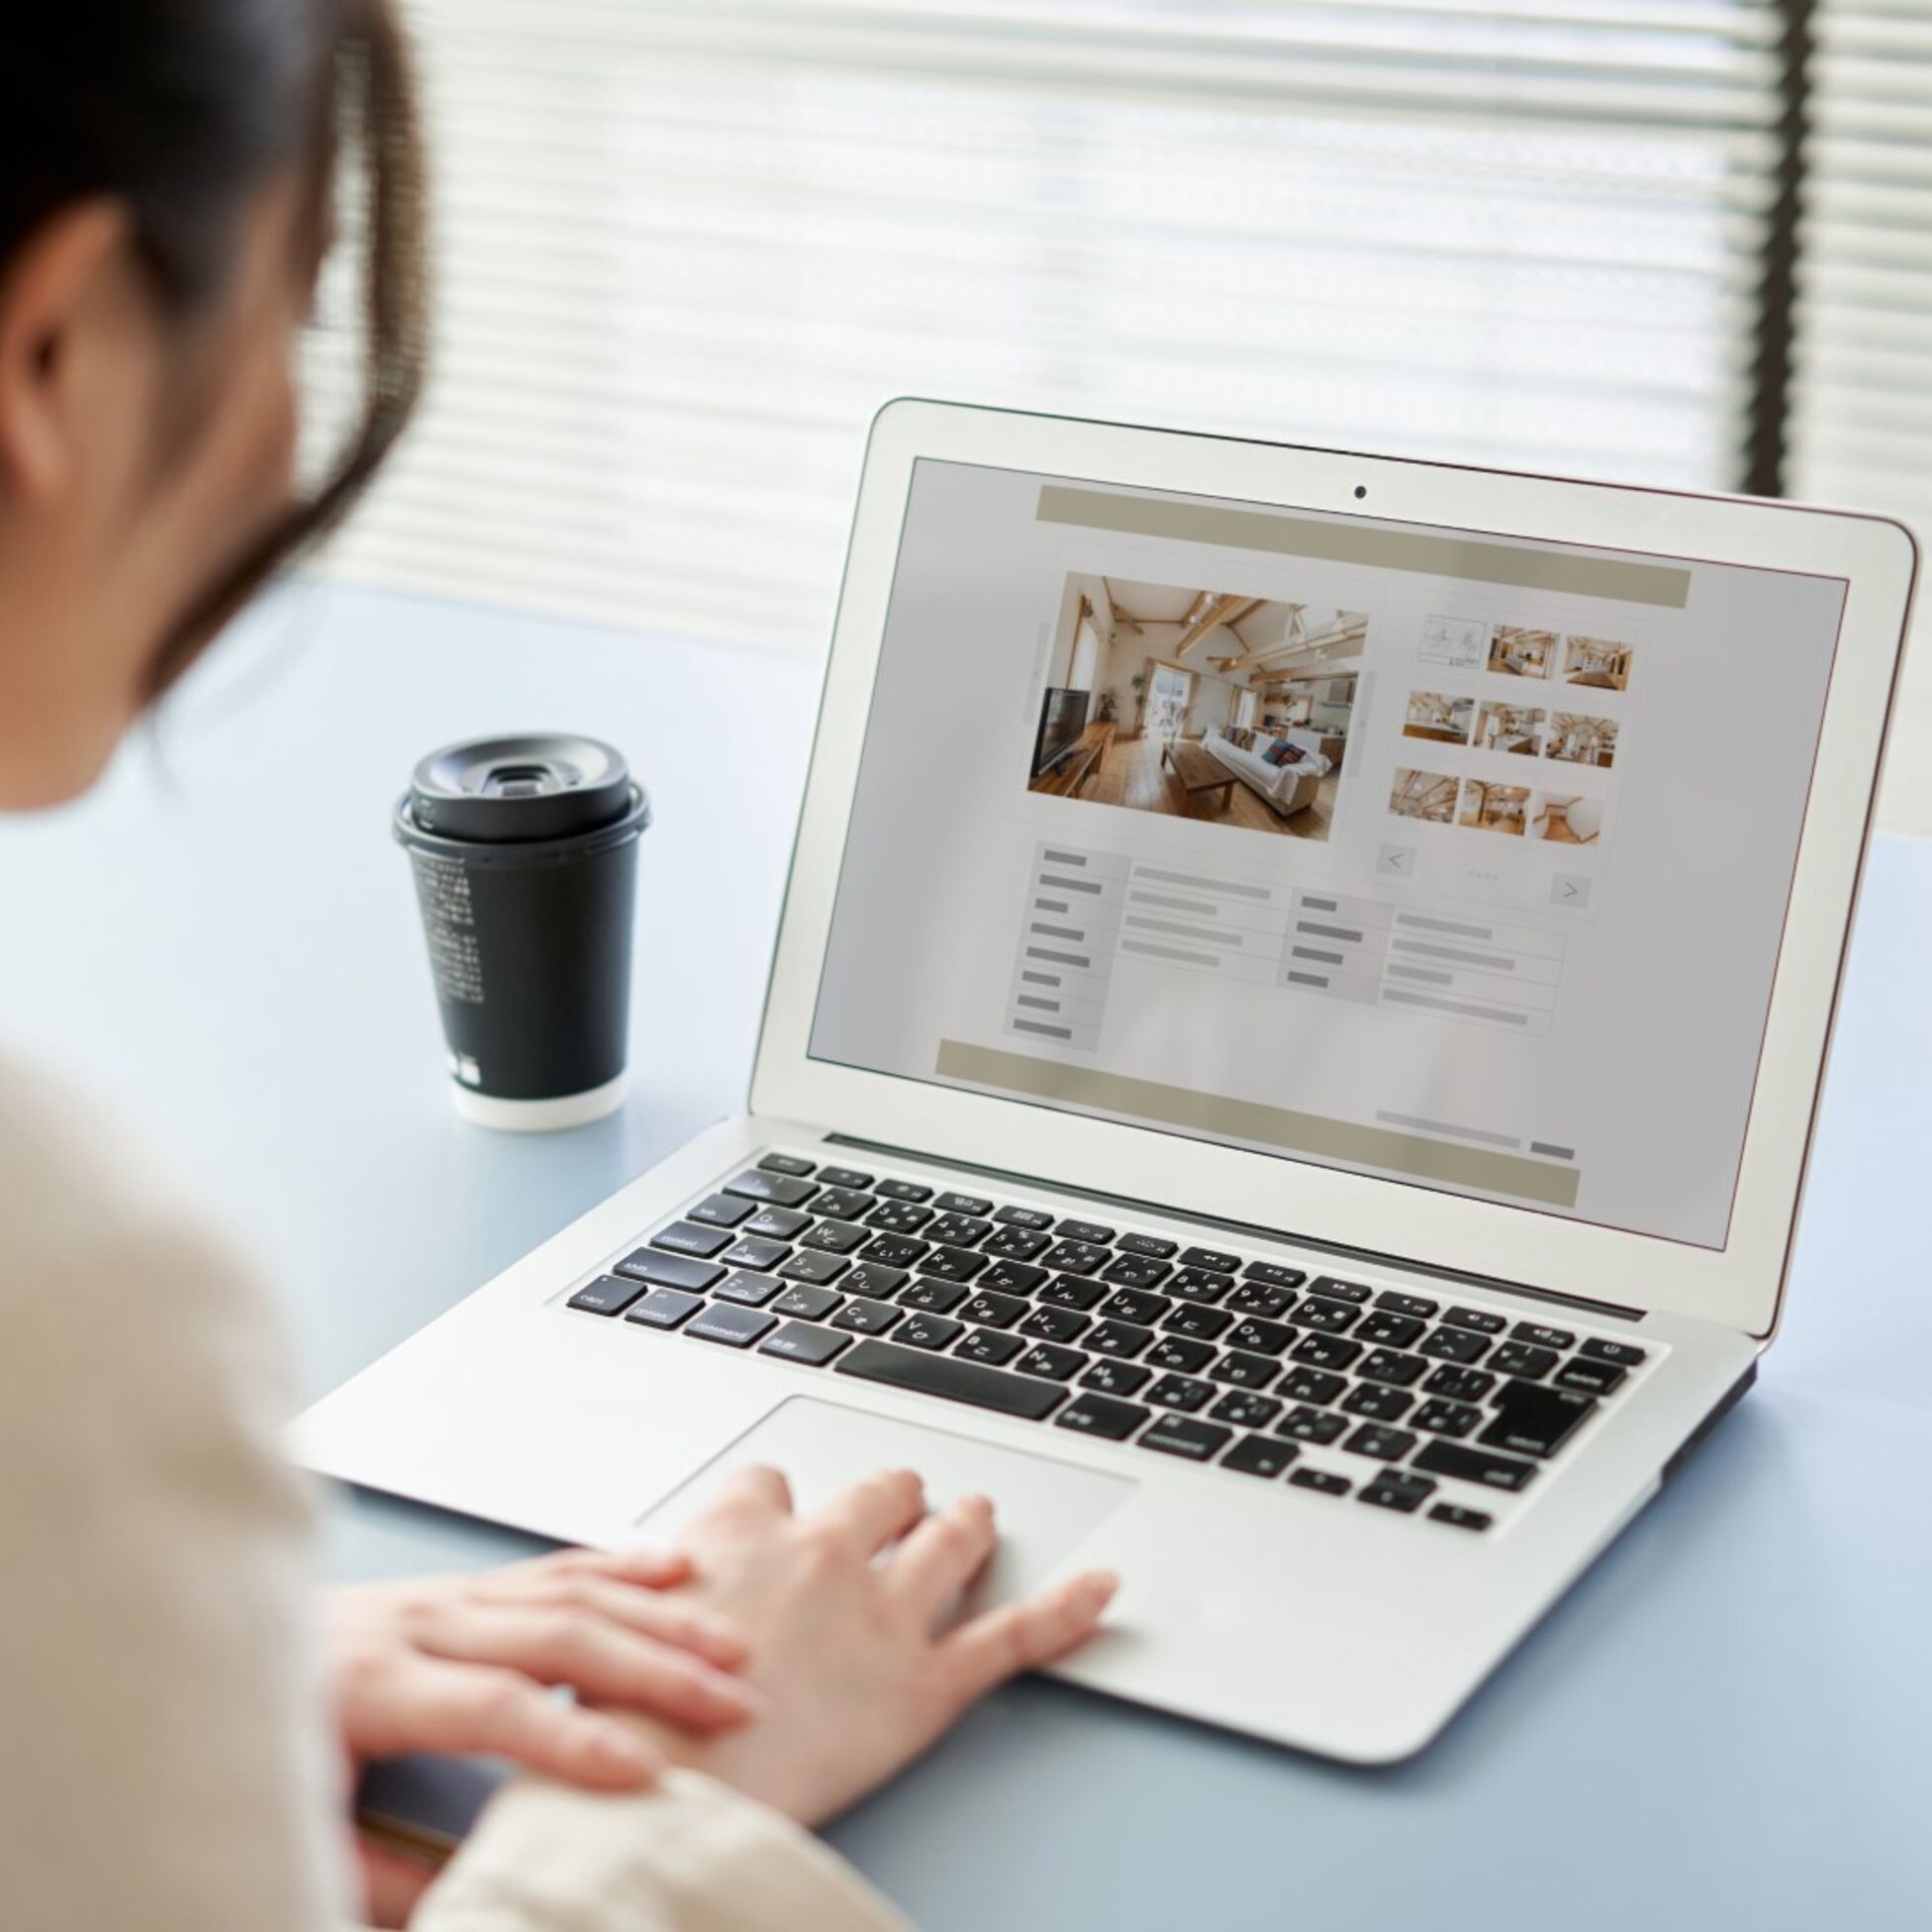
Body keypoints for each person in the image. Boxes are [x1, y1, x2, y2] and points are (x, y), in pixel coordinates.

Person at [0, 6, 1119, 1928]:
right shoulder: (71, 1304)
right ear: (59, 350)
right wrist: (671, 1799)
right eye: (298, 295)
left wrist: (136, 1687)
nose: (285, 418)